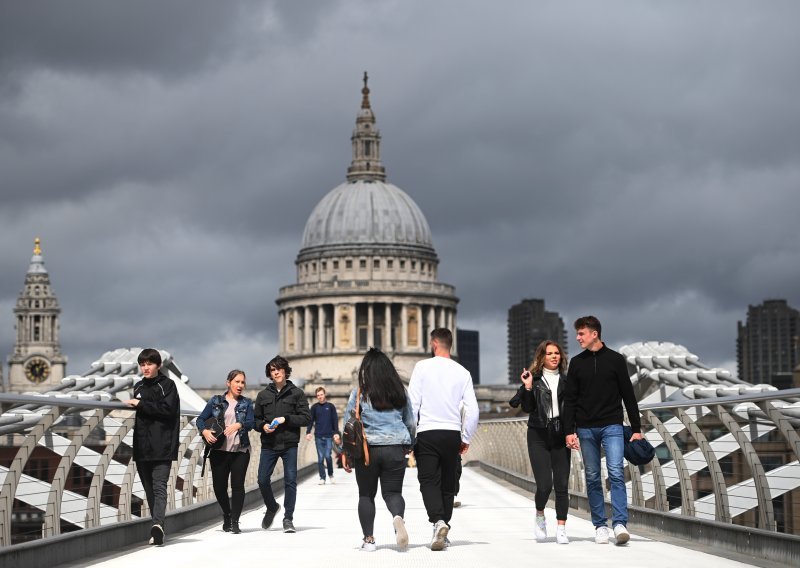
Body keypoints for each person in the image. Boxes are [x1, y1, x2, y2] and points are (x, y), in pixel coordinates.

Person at [562, 316, 642, 545]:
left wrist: (636, 428)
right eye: (577, 334)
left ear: (594, 334)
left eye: (581, 334)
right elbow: (571, 399)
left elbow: (628, 394)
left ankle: (619, 524)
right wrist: (569, 431)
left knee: (616, 472)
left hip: (612, 425)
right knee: (593, 476)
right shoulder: (576, 363)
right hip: (586, 428)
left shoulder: (616, 360)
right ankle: (600, 526)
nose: (577, 338)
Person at [408, 328, 479, 551]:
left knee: (429, 481)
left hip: (427, 431)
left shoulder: (421, 367)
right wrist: (465, 437)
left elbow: (412, 405)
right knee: (448, 483)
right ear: (450, 345)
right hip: (451, 433)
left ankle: (437, 521)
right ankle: (444, 526)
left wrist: (410, 436)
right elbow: (473, 410)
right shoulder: (463, 372)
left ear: (434, 344)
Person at [343, 348, 416, 552]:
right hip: (395, 449)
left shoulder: (359, 394)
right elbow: (410, 422)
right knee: (393, 493)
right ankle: (397, 517)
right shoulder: (400, 392)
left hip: (367, 451)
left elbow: (348, 424)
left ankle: (369, 540)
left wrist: (346, 453)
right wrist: (409, 444)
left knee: (366, 495)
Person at [512, 340, 571, 544]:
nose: (554, 356)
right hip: (538, 435)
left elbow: (573, 410)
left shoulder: (567, 382)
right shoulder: (534, 380)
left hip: (560, 435)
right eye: (549, 353)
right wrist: (528, 388)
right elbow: (527, 408)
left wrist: (573, 432)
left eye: (557, 353)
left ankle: (561, 527)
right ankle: (540, 515)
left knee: (562, 484)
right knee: (545, 485)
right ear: (542, 357)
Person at [124, 348, 180, 546]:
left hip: (162, 446)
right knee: (149, 490)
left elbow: (168, 410)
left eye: (149, 364)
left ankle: (158, 526)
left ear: (159, 365)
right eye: (143, 364)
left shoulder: (168, 385)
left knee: (159, 488)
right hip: (142, 446)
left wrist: (141, 405)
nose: (146, 368)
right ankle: (158, 525)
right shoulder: (138, 386)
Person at [255, 355, 310, 533]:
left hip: (289, 444)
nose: (276, 371)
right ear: (269, 374)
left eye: (279, 368)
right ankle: (272, 507)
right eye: (272, 369)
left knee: (290, 481)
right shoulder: (262, 395)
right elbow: (255, 420)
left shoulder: (297, 393)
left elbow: (306, 418)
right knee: (262, 480)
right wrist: (263, 426)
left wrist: (285, 419)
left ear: (286, 371)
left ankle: (288, 519)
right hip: (269, 444)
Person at [197, 369, 255, 534]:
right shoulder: (216, 401)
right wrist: (205, 432)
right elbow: (201, 419)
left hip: (240, 450)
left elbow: (252, 422)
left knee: (238, 486)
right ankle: (227, 514)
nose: (240, 385)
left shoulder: (247, 403)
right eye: (237, 381)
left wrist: (240, 424)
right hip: (219, 450)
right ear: (228, 383)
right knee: (219, 487)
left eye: (242, 382)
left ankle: (235, 521)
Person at [306, 386, 340, 485]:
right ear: (316, 397)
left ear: (324, 394)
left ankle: (331, 474)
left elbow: (335, 420)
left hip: (329, 436)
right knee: (320, 458)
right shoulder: (314, 408)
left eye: (321, 394)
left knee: (328, 456)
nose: (320, 397)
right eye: (318, 395)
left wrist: (336, 433)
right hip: (318, 436)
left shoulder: (330, 407)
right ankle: (322, 478)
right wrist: (308, 432)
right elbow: (310, 421)